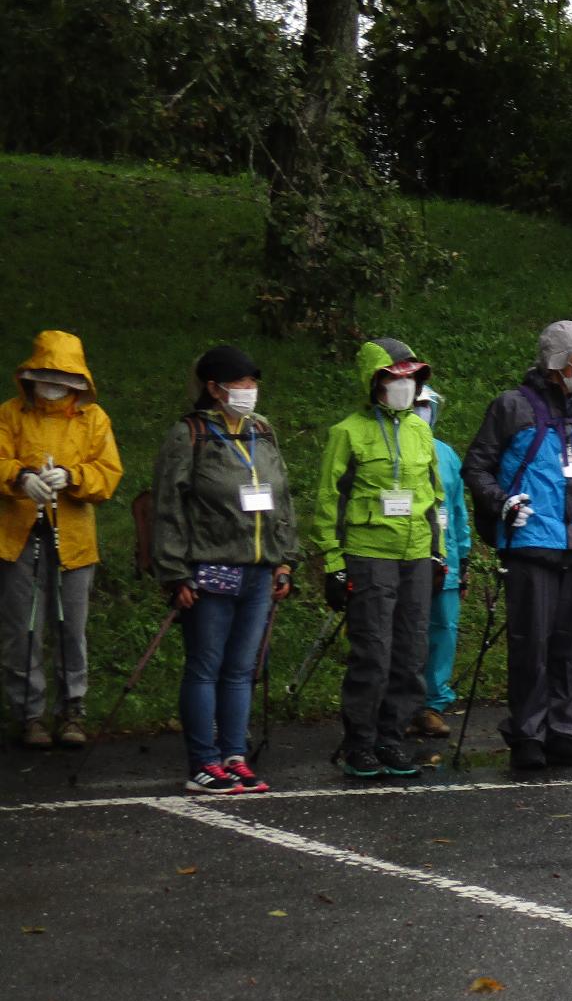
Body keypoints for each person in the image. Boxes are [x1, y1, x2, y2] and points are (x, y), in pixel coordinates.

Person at [464, 320, 572, 768]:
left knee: (571, 646)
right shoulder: (512, 407)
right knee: (532, 645)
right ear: (556, 363)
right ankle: (528, 736)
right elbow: (476, 468)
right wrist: (503, 502)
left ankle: (564, 732)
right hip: (530, 545)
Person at [151, 345, 296, 793]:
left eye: (253, 383)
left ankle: (235, 755)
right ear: (214, 388)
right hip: (210, 570)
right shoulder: (189, 434)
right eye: (240, 383)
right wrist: (175, 572)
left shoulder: (263, 431)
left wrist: (285, 558)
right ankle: (203, 761)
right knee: (205, 666)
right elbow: (168, 506)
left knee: (241, 668)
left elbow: (282, 498)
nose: (249, 391)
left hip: (258, 570)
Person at [312, 338, 445, 779]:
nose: (404, 385)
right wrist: (333, 562)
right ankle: (360, 743)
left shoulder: (420, 430)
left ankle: (392, 739)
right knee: (373, 650)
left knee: (410, 651)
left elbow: (433, 496)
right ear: (375, 381)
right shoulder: (347, 432)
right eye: (395, 377)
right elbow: (328, 501)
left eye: (411, 377)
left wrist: (437, 553)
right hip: (369, 555)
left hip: (416, 554)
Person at [2, 330, 122, 748]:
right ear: (31, 375)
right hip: (17, 537)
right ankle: (29, 715)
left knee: (71, 628)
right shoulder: (10, 414)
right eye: (46, 374)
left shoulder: (95, 419)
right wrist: (20, 477)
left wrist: (73, 477)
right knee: (22, 629)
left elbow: (107, 475)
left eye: (63, 375)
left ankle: (73, 712)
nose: (53, 384)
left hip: (73, 539)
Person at [409, 381, 471, 739]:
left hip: (445, 562)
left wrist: (462, 560)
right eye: (417, 404)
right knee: (406, 633)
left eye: (426, 405)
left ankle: (432, 704)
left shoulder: (446, 454)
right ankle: (400, 703)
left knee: (443, 631)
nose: (422, 410)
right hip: (409, 557)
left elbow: (458, 511)